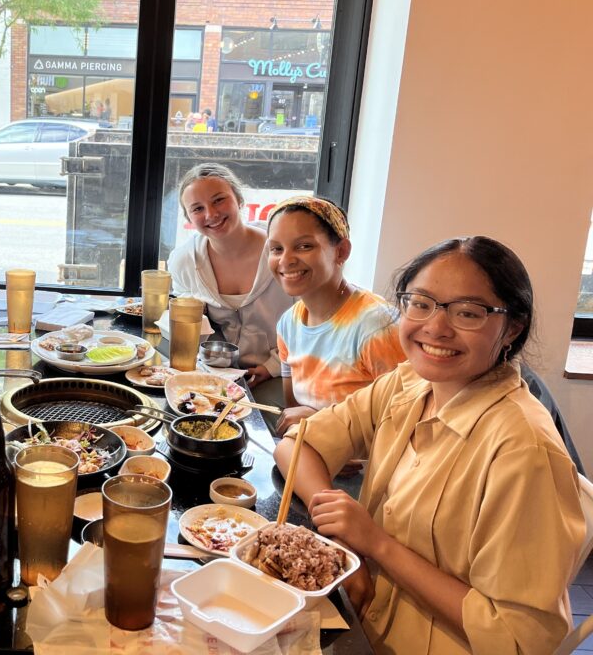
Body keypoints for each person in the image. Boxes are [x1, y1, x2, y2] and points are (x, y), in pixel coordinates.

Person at [274, 236, 584, 655]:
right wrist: (341, 533)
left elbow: (517, 636)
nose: (435, 327)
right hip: (363, 620)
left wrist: (376, 544)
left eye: (468, 313)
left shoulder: (523, 450)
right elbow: (297, 446)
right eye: (420, 303)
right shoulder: (410, 382)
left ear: (512, 326)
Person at [266, 196, 404, 436]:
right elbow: (294, 412)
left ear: (341, 251)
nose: (286, 260)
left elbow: (405, 420)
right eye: (277, 249)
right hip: (311, 449)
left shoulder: (377, 327)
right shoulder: (289, 323)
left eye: (304, 246)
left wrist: (322, 423)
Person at [167, 163, 294, 408]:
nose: (211, 214)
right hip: (217, 376)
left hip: (283, 372)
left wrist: (273, 366)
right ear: (189, 218)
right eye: (197, 208)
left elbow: (311, 321)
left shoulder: (280, 252)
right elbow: (192, 327)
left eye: (219, 200)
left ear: (238, 199)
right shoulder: (184, 261)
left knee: (269, 430)